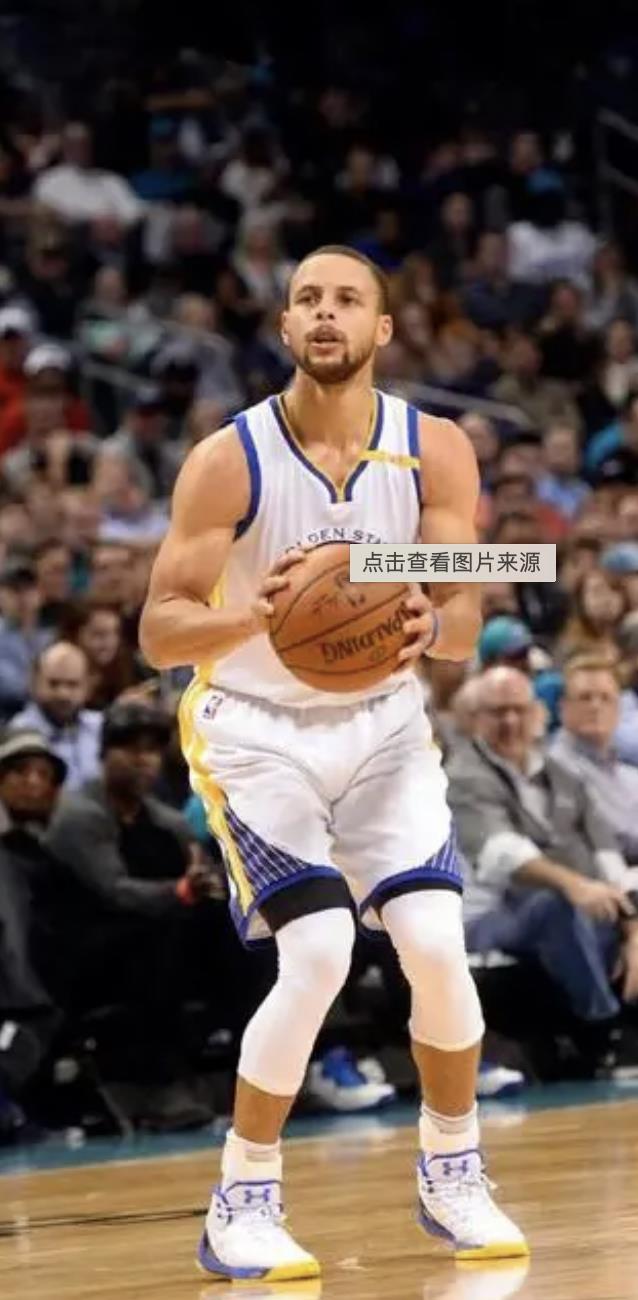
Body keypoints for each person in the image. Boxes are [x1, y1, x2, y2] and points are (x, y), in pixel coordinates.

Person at [140, 244, 527, 1279]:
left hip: (383, 726)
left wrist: (425, 619)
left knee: (436, 943)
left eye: (346, 299)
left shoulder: (434, 449)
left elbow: (461, 617)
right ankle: (242, 1198)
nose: (324, 312)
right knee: (316, 952)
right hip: (254, 729)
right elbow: (157, 631)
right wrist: (248, 616)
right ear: (284, 326)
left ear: (381, 329)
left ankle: (452, 1173)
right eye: (306, 298)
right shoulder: (230, 459)